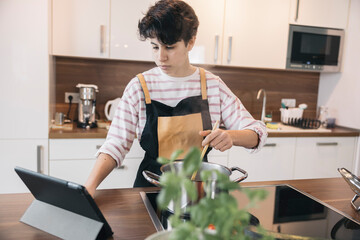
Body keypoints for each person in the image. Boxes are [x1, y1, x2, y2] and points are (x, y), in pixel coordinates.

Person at [85, 0, 267, 196]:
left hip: (199, 191)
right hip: (151, 188)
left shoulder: (212, 85)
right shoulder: (140, 86)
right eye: (155, 47)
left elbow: (257, 132)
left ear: (191, 42)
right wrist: (89, 186)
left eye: (169, 47)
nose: (160, 57)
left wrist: (231, 136)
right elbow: (116, 144)